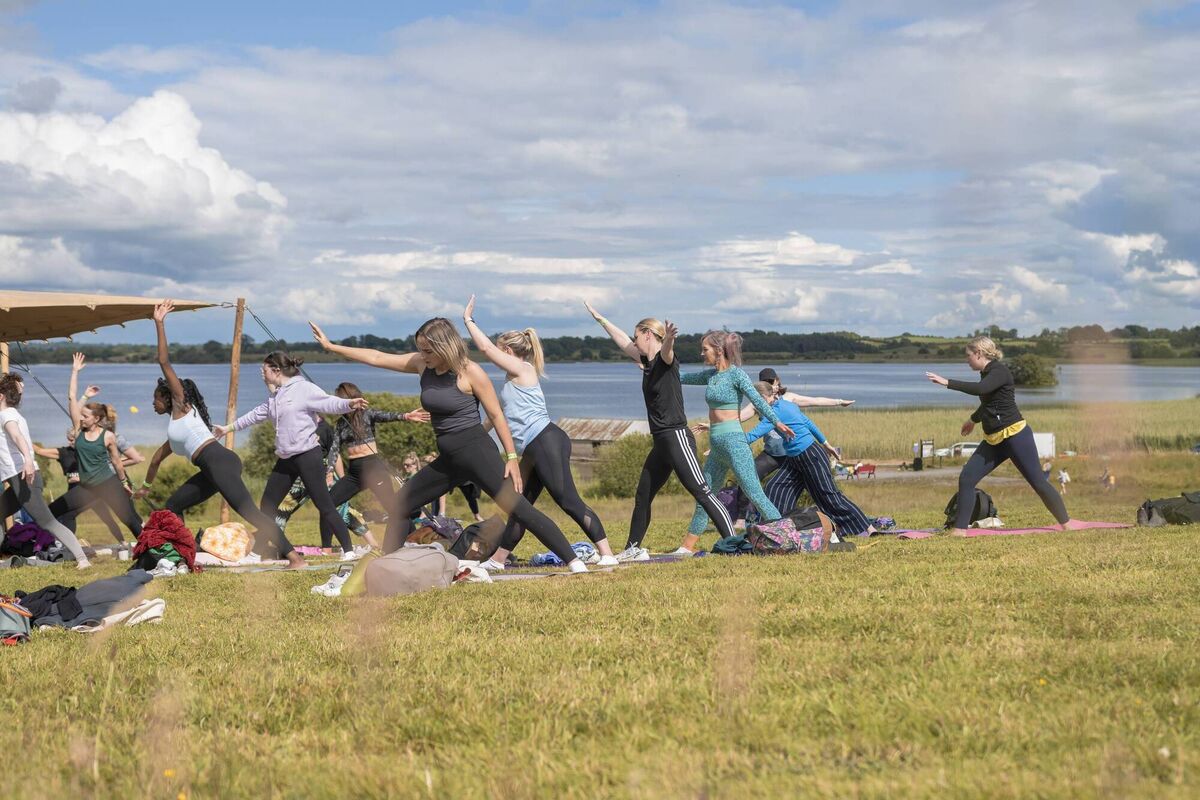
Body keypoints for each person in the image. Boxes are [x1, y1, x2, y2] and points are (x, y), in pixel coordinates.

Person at [309, 317, 589, 572]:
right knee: (402, 504)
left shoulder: (470, 372)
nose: (424, 356)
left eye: (429, 350)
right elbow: (377, 356)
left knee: (520, 509)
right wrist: (332, 347)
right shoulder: (422, 365)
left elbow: (496, 415)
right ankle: (387, 566)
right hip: (448, 459)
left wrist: (512, 458)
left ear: (445, 346)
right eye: (421, 350)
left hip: (478, 453)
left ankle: (574, 561)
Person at [136, 300, 306, 568]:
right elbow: (156, 458)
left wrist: (159, 322)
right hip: (211, 467)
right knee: (172, 506)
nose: (153, 403)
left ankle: (294, 557)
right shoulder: (176, 427)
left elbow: (163, 360)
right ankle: (185, 556)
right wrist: (144, 488)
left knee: (249, 511)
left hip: (218, 461)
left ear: (170, 398)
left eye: (156, 399)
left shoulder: (182, 405)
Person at [462, 296, 616, 570]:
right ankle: (498, 560)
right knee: (520, 505)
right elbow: (494, 418)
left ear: (507, 350)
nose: (497, 355)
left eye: (500, 351)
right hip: (534, 448)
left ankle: (607, 553)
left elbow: (484, 347)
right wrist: (474, 436)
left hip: (545, 441)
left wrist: (468, 321)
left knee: (567, 500)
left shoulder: (523, 368)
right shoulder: (512, 379)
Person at [585, 302, 740, 560]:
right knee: (643, 494)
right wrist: (600, 319)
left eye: (638, 337)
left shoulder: (666, 360)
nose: (634, 342)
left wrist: (668, 339)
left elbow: (666, 352)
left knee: (701, 490)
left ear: (648, 335)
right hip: (661, 442)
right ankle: (632, 549)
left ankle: (734, 543)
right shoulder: (646, 362)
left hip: (676, 436)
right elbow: (622, 340)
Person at [214, 351, 367, 561]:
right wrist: (227, 428)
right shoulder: (277, 395)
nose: (261, 371)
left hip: (308, 456)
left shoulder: (303, 388)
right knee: (267, 505)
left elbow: (328, 403)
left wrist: (348, 404)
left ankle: (348, 551)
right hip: (286, 459)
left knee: (324, 505)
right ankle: (258, 551)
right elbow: (256, 415)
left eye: (264, 368)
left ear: (276, 370)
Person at [926, 336, 1086, 536]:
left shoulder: (999, 371)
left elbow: (980, 390)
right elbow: (989, 402)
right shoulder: (986, 373)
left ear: (979, 353)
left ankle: (1067, 523)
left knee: (1038, 481)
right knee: (967, 479)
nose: (966, 360)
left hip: (1016, 436)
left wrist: (946, 382)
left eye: (968, 356)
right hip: (994, 440)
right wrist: (973, 420)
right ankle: (959, 530)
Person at [678, 330, 795, 552]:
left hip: (734, 442)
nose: (702, 354)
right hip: (717, 446)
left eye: (705, 349)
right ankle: (687, 547)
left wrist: (777, 423)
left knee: (754, 492)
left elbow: (758, 402)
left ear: (719, 350)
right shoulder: (710, 375)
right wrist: (654, 365)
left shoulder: (736, 375)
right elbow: (680, 377)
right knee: (705, 495)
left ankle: (786, 538)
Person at [745, 381, 875, 535]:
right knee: (775, 487)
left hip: (810, 455)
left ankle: (867, 527)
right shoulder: (786, 404)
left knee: (828, 496)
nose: (754, 404)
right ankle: (779, 530)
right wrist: (825, 444)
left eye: (754, 400)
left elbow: (753, 435)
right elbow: (808, 422)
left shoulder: (774, 414)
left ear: (763, 397)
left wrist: (725, 445)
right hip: (794, 459)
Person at [323, 381, 430, 551]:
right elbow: (334, 449)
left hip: (374, 470)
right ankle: (326, 548)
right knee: (328, 503)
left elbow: (386, 416)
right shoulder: (341, 423)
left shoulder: (367, 414)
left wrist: (406, 416)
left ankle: (413, 537)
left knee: (394, 509)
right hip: (354, 474)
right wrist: (329, 472)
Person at [47, 354, 142, 542]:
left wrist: (124, 484)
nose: (82, 418)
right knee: (53, 511)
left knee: (130, 520)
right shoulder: (78, 429)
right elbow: (71, 397)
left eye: (86, 416)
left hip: (108, 485)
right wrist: (75, 373)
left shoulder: (107, 436)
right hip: (87, 487)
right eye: (81, 415)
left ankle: (154, 550)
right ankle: (62, 546)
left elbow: (116, 462)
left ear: (96, 419)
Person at [0, 374, 91, 568]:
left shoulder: (7, 415)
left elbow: (17, 437)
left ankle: (82, 559)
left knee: (47, 522)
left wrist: (28, 461)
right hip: (21, 477)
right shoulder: (13, 414)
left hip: (25, 477)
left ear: (1, 397)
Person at [33, 427, 124, 541]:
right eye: (68, 439)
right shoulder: (64, 453)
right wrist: (21, 438)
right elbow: (39, 451)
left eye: (73, 439)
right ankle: (65, 544)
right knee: (67, 516)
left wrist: (80, 478)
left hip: (91, 492)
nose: (70, 442)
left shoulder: (87, 451)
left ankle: (123, 543)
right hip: (73, 495)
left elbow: (103, 467)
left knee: (107, 518)